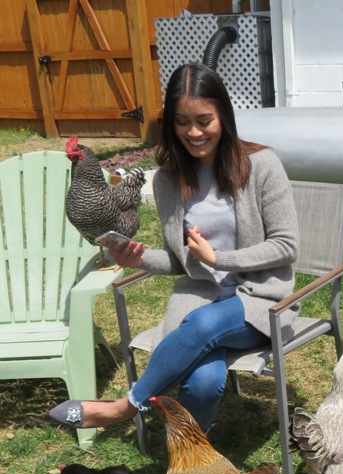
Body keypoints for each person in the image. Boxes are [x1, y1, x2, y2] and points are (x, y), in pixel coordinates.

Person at [49, 63, 298, 433]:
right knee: (202, 381)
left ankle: (123, 407)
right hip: (199, 299)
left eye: (204, 120)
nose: (194, 132)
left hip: (261, 302)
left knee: (204, 323)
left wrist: (219, 259)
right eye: (182, 122)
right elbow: (182, 261)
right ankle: (190, 460)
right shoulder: (169, 179)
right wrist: (139, 258)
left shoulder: (262, 165)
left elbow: (286, 245)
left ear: (224, 116)